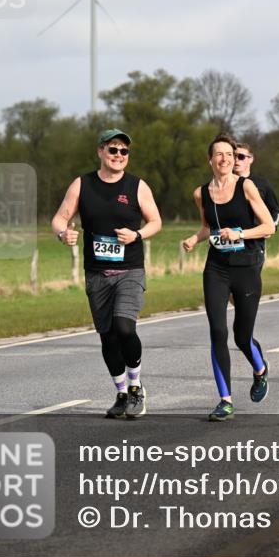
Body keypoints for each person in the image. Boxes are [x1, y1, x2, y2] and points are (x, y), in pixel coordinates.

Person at [51, 129, 162, 419]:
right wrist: (63, 234)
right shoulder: (82, 184)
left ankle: (136, 387)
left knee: (125, 327)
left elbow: (155, 221)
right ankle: (121, 393)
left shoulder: (137, 186)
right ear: (100, 151)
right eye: (113, 150)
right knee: (108, 337)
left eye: (124, 151)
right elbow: (60, 217)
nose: (119, 156)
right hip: (97, 273)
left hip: (130, 270)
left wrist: (137, 235)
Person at [182, 136, 276, 421]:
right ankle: (225, 400)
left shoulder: (245, 186)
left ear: (234, 159)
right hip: (216, 269)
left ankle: (260, 369)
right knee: (218, 332)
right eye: (218, 154)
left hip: (246, 267)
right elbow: (208, 228)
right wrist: (194, 239)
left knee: (241, 335)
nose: (224, 159)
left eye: (229, 154)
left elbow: (268, 226)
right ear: (210, 159)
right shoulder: (201, 193)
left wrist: (240, 234)